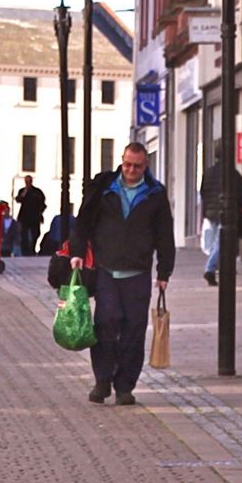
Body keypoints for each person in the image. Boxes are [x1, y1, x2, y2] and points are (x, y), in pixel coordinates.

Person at [70, 142, 174, 406]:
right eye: (127, 164)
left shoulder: (155, 194)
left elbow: (164, 234)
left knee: (133, 330)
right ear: (122, 161)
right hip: (106, 268)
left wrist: (164, 272)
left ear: (145, 165)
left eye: (137, 166)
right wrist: (77, 252)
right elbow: (83, 221)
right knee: (106, 323)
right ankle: (102, 380)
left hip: (137, 272)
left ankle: (125, 386)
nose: (131, 170)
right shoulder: (105, 188)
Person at [197, 158, 242, 287]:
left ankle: (222, 267)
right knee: (221, 243)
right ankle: (210, 269)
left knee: (217, 242)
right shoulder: (232, 174)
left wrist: (206, 210)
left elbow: (203, 192)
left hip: (211, 213)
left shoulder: (208, 173)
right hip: (226, 212)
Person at [14, 176, 48, 256]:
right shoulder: (22, 191)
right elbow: (18, 199)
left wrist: (40, 213)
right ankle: (25, 251)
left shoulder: (37, 192)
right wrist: (24, 193)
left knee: (35, 233)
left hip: (35, 217)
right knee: (24, 235)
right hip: (24, 217)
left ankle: (32, 249)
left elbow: (43, 204)